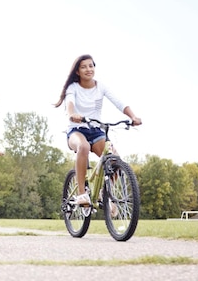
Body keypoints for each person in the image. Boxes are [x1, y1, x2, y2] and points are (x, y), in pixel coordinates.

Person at [54, 54, 142, 209]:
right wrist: (72, 114)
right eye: (83, 67)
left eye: (91, 66)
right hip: (76, 130)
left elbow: (119, 102)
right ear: (77, 72)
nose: (88, 69)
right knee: (84, 147)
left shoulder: (101, 87)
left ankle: (102, 193)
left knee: (114, 160)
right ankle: (82, 193)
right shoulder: (73, 88)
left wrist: (133, 116)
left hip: (96, 131)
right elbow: (70, 103)